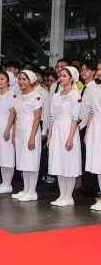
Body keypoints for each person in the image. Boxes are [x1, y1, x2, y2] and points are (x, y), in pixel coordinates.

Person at [47, 66, 82, 207]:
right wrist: (49, 136)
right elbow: (52, 117)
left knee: (70, 163)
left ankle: (69, 196)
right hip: (57, 132)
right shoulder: (56, 95)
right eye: (60, 75)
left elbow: (75, 118)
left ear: (72, 78)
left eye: (65, 76)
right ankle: (62, 195)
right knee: (58, 162)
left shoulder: (75, 95)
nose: (61, 78)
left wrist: (70, 137)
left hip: (69, 130)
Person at [11, 70, 42, 201]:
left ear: (31, 81)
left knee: (31, 161)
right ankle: (25, 189)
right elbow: (16, 116)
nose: (21, 82)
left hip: (31, 130)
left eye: (25, 79)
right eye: (20, 79)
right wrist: (14, 133)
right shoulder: (20, 95)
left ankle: (32, 191)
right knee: (22, 161)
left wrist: (32, 136)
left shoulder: (36, 96)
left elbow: (37, 117)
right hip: (20, 132)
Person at [78, 61, 98, 195]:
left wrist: (85, 126)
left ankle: (92, 187)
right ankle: (86, 185)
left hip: (89, 125)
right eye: (82, 69)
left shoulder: (95, 88)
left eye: (87, 69)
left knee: (90, 156)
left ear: (94, 72)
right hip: (80, 126)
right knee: (83, 157)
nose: (84, 72)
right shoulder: (80, 89)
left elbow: (92, 110)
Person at [85, 66, 101, 210]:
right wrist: (87, 132)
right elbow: (91, 112)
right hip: (96, 128)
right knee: (97, 163)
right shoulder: (96, 89)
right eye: (98, 69)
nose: (99, 72)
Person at [31, 68, 50, 181]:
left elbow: (46, 112)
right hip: (29, 123)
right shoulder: (26, 92)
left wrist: (44, 130)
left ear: (38, 78)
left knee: (39, 153)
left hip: (40, 122)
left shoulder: (43, 93)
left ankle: (38, 177)